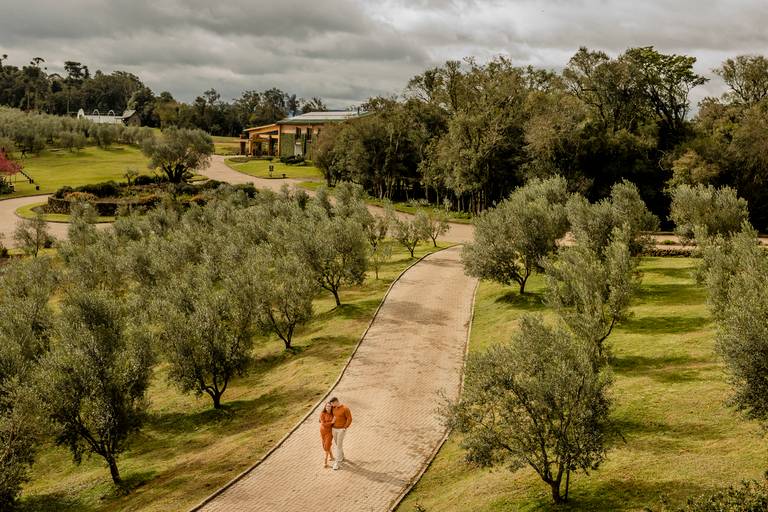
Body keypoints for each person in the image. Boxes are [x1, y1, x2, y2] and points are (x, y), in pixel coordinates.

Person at [329, 396, 352, 470]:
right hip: (334, 429)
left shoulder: (345, 409)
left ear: (336, 401)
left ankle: (337, 463)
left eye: (332, 403)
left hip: (341, 430)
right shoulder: (333, 408)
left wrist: (345, 428)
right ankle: (341, 457)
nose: (332, 405)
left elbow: (349, 419)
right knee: (337, 444)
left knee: (338, 446)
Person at [319, 402, 335, 468]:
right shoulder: (322, 414)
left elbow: (334, 423)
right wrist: (331, 422)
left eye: (330, 406)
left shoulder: (333, 414)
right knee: (324, 445)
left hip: (330, 432)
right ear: (325, 407)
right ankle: (331, 456)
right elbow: (323, 424)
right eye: (327, 406)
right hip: (323, 431)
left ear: (331, 408)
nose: (328, 407)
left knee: (327, 445)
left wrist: (331, 423)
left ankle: (325, 461)